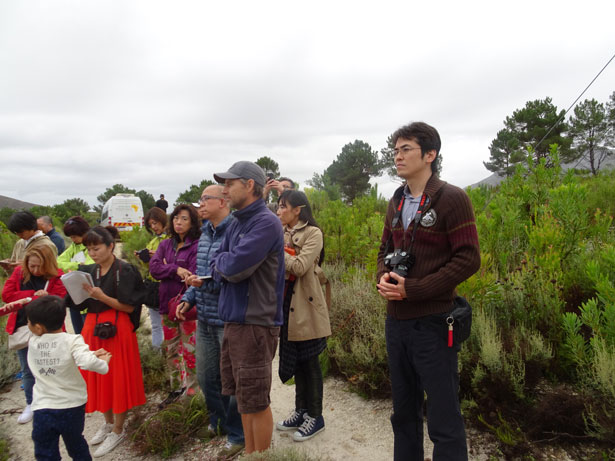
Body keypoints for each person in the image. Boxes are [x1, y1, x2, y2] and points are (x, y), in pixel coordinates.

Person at [376, 122, 481, 461]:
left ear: (430, 154)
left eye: (405, 149)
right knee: (403, 414)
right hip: (397, 324)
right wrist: (384, 280)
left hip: (435, 324)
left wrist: (415, 289)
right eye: (395, 150)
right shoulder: (395, 201)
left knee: (443, 416)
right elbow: (383, 251)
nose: (398, 156)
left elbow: (468, 259)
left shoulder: (452, 198)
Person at [210, 161, 284, 454]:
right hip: (235, 321)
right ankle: (250, 454)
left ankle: (260, 457)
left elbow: (235, 267)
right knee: (243, 398)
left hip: (255, 323)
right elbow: (218, 262)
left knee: (255, 401)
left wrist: (223, 264)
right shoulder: (237, 221)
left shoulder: (266, 222)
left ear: (250, 185)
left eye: (230, 183)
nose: (225, 189)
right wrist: (222, 264)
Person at [65, 226, 146, 458]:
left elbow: (130, 307)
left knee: (117, 376)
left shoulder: (126, 270)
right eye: (89, 249)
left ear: (111, 246)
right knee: (98, 376)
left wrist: (102, 297)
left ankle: (119, 429)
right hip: (93, 325)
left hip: (117, 328)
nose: (92, 253)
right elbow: (77, 303)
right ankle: (108, 422)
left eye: (97, 248)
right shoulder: (87, 271)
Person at [176, 185, 244, 458]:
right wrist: (190, 295)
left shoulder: (236, 230)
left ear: (223, 201)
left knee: (231, 380)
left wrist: (201, 283)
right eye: (200, 200)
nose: (200, 205)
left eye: (205, 199)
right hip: (204, 316)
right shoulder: (205, 233)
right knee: (206, 376)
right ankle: (217, 422)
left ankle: (238, 434)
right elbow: (201, 272)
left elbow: (234, 274)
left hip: (227, 317)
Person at [26, 295, 111, 461]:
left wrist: (90, 355)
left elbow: (54, 354)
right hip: (71, 406)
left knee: (45, 450)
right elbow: (84, 362)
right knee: (76, 445)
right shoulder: (72, 341)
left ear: (38, 328)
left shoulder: (33, 342)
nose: (27, 325)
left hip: (43, 407)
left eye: (28, 322)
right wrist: (103, 363)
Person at [275, 190, 331, 441]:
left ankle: (316, 417)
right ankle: (301, 411)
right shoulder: (282, 231)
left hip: (306, 305)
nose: (279, 211)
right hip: (286, 303)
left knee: (310, 360)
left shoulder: (313, 233)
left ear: (298, 209)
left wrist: (277, 249)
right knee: (296, 360)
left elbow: (299, 266)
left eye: (283, 207)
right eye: (278, 207)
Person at [0, 242, 67, 425]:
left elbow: (61, 302)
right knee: (28, 370)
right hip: (24, 327)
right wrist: (31, 296)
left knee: (53, 367)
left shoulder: (58, 277)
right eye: (32, 265)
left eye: (39, 266)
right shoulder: (19, 273)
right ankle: (31, 403)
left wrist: (48, 298)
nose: (35, 270)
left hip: (49, 330)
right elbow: (7, 295)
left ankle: (56, 402)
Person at [149, 204, 200, 406]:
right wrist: (176, 269)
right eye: (176, 218)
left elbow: (194, 273)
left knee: (190, 350)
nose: (179, 222)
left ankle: (193, 393)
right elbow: (154, 268)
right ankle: (176, 388)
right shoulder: (166, 244)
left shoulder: (197, 245)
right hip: (166, 306)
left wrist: (170, 268)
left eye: (184, 219)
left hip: (187, 308)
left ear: (193, 222)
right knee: (170, 350)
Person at [136, 207, 168, 348]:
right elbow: (148, 266)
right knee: (156, 325)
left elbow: (170, 261)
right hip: (154, 287)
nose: (154, 227)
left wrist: (155, 256)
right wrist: (142, 258)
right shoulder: (154, 241)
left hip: (167, 287)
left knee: (168, 324)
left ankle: (170, 356)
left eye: (155, 223)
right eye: (151, 225)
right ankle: (158, 353)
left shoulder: (171, 239)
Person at [57, 216, 95, 335]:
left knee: (88, 333)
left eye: (74, 236)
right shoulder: (74, 246)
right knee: (78, 333)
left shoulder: (91, 244)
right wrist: (78, 265)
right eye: (71, 237)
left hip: (88, 296)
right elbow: (58, 262)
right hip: (74, 296)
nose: (72, 239)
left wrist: (71, 266)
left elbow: (90, 265)